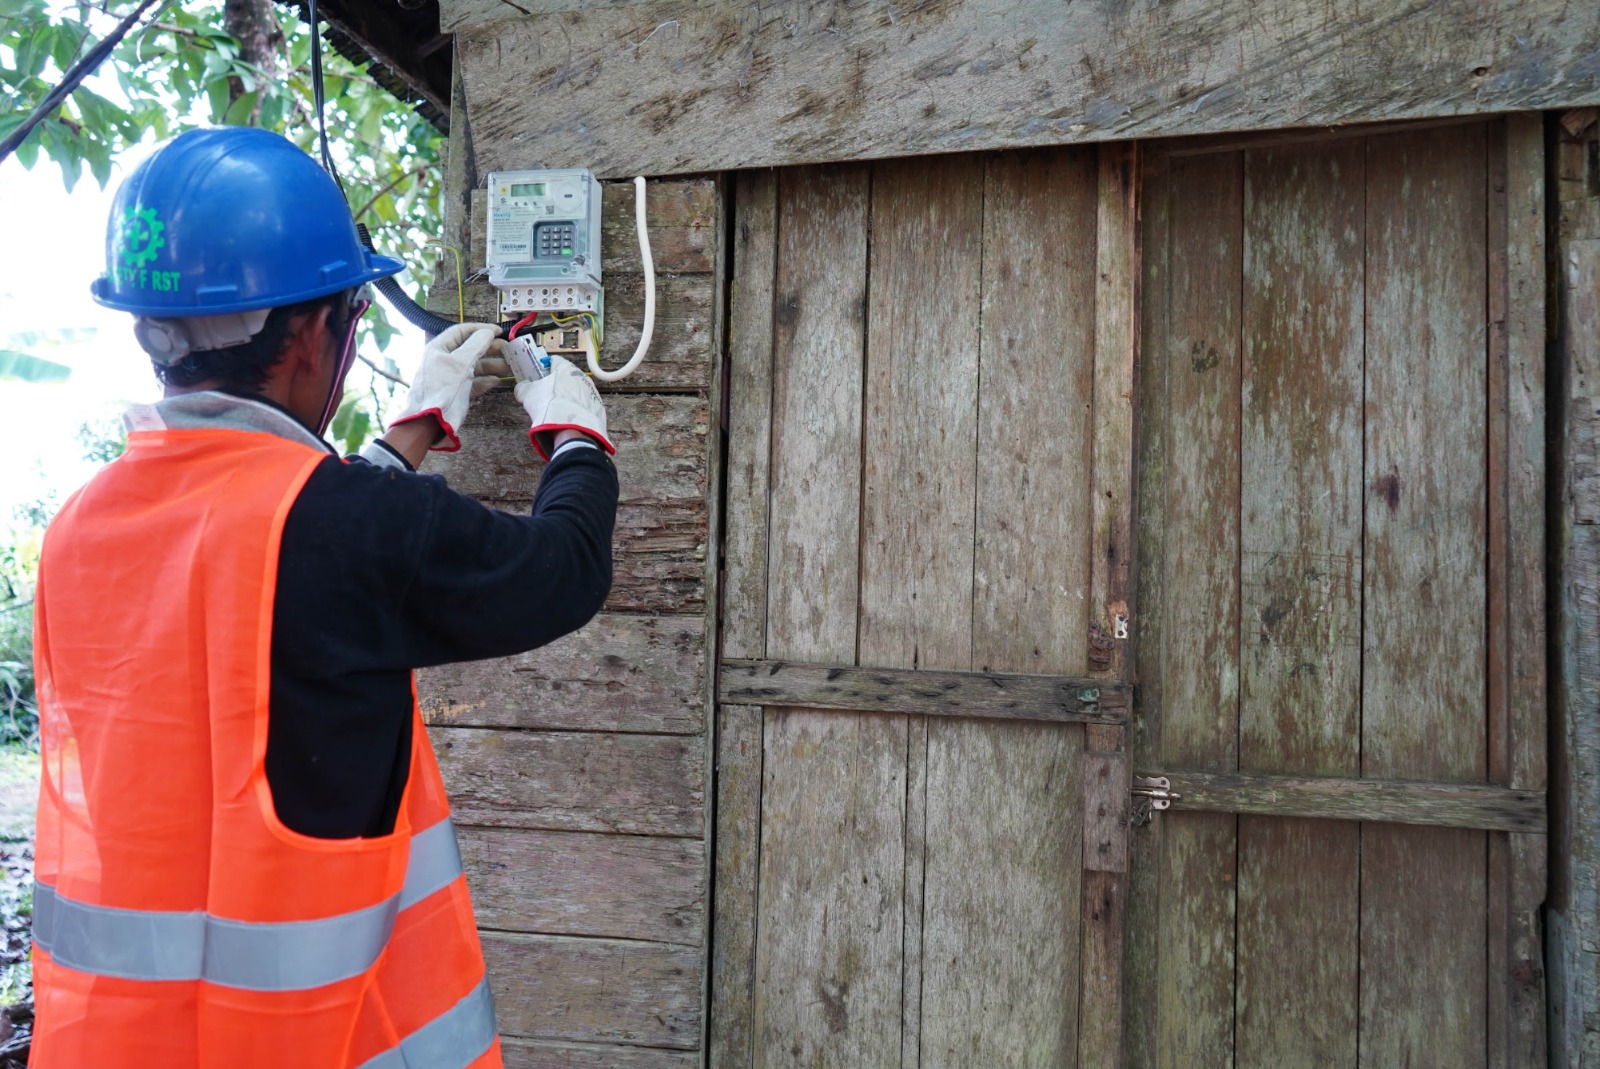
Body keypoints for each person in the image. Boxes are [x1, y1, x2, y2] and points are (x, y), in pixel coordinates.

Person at [28, 127, 618, 1069]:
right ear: (312, 335)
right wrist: (579, 438)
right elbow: (564, 569)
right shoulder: (352, 528)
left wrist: (406, 440)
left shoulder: (79, 528)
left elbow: (263, 577)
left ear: (152, 331)